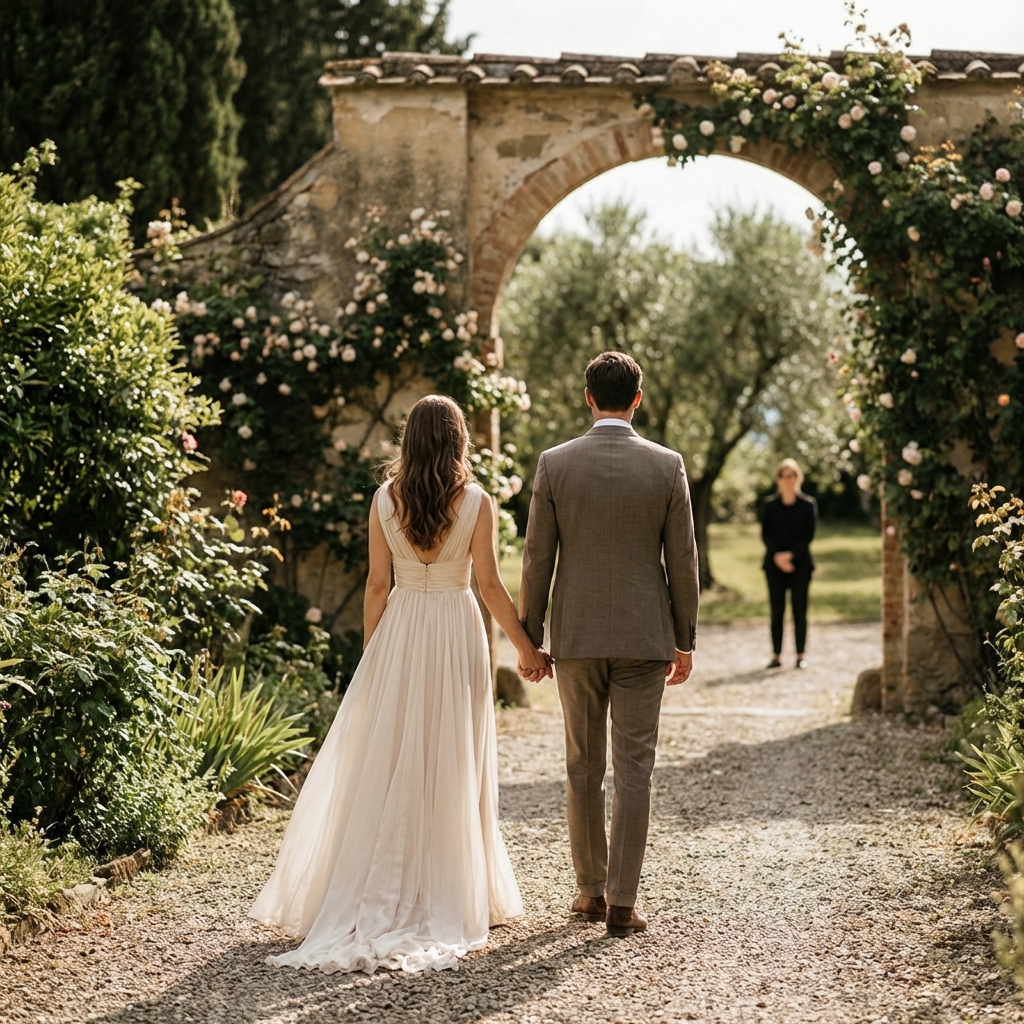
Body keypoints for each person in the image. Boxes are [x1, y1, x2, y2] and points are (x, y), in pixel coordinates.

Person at [250, 394, 549, 974]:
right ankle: (455, 885)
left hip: (403, 627)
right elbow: (488, 586)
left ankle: (388, 884)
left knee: (391, 757)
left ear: (408, 440)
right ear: (459, 440)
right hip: (457, 631)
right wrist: (525, 647)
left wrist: (374, 659)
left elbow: (376, 587)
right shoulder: (478, 501)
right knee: (453, 754)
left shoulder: (385, 499)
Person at [519, 350, 700, 939]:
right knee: (635, 769)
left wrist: (531, 637)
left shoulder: (554, 464)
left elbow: (537, 559)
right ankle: (624, 903)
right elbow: (684, 562)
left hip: (575, 637)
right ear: (637, 399)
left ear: (589, 397)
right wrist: (684, 639)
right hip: (645, 638)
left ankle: (589, 892)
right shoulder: (667, 465)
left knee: (582, 765)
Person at [761, 458, 817, 670]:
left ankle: (800, 655)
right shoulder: (770, 506)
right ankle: (776, 655)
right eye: (784, 475)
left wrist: (790, 556)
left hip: (800, 565)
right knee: (777, 611)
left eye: (791, 475)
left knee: (799, 610)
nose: (788, 480)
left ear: (798, 477)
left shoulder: (808, 505)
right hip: (773, 565)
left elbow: (808, 535)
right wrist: (778, 556)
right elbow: (766, 534)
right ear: (778, 479)